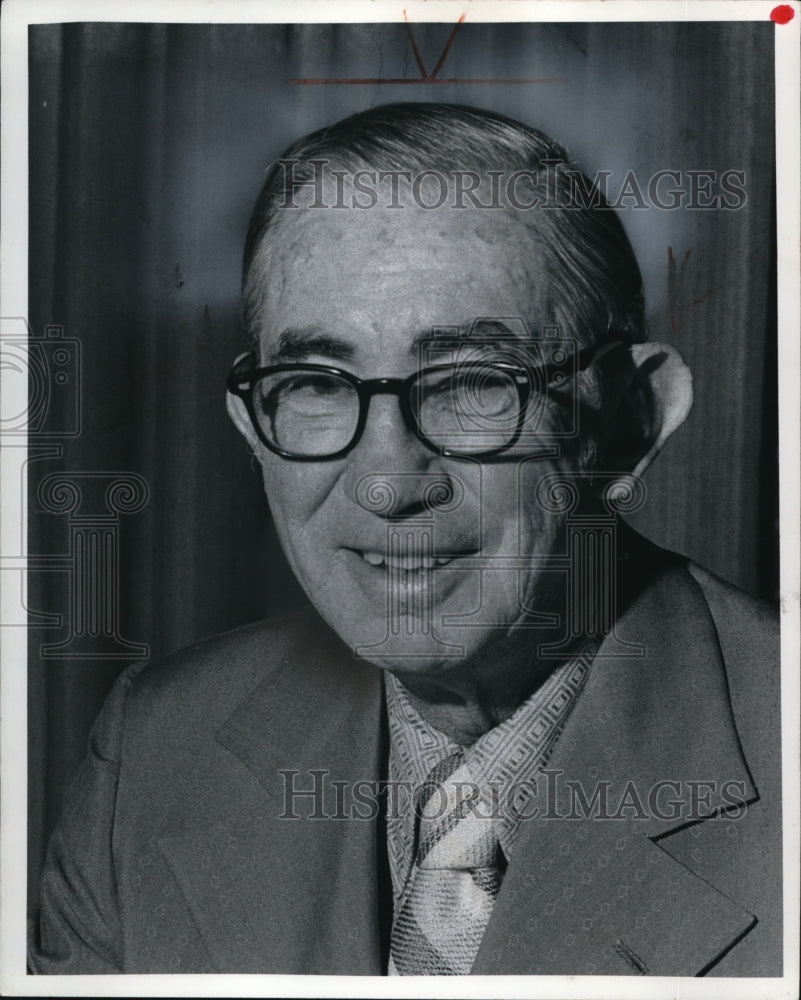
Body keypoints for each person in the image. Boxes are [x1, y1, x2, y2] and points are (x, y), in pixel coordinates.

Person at [29, 103, 781, 977]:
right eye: (316, 382)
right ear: (250, 424)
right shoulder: (158, 750)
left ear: (628, 423)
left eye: (469, 381)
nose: (387, 481)